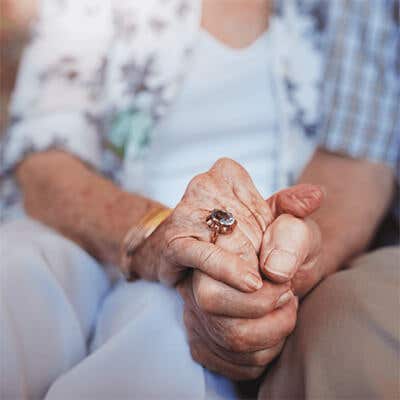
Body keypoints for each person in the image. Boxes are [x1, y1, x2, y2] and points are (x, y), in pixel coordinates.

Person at [0, 1, 398, 399]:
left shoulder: (358, 9)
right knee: (14, 274)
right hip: (94, 236)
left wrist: (278, 268)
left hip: (250, 257)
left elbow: (355, 165)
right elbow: (46, 158)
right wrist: (156, 234)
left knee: (164, 331)